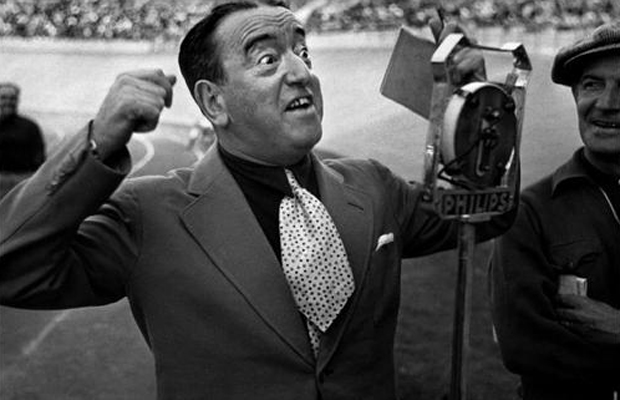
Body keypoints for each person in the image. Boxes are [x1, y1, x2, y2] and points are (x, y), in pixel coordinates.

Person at [0, 1, 516, 399]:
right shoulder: (147, 214)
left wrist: (476, 110)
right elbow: (15, 267)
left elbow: (486, 208)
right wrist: (97, 140)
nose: (301, 72)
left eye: (302, 51)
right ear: (214, 102)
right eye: (268, 58)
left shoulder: (374, 186)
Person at [490, 21, 620, 400]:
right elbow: (524, 346)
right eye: (592, 84)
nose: (608, 103)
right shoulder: (529, 211)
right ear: (576, 95)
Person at [0, 82, 46, 198]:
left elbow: (39, 157)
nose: (8, 102)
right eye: (3, 98)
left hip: (22, 182)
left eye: (12, 98)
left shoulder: (29, 127)